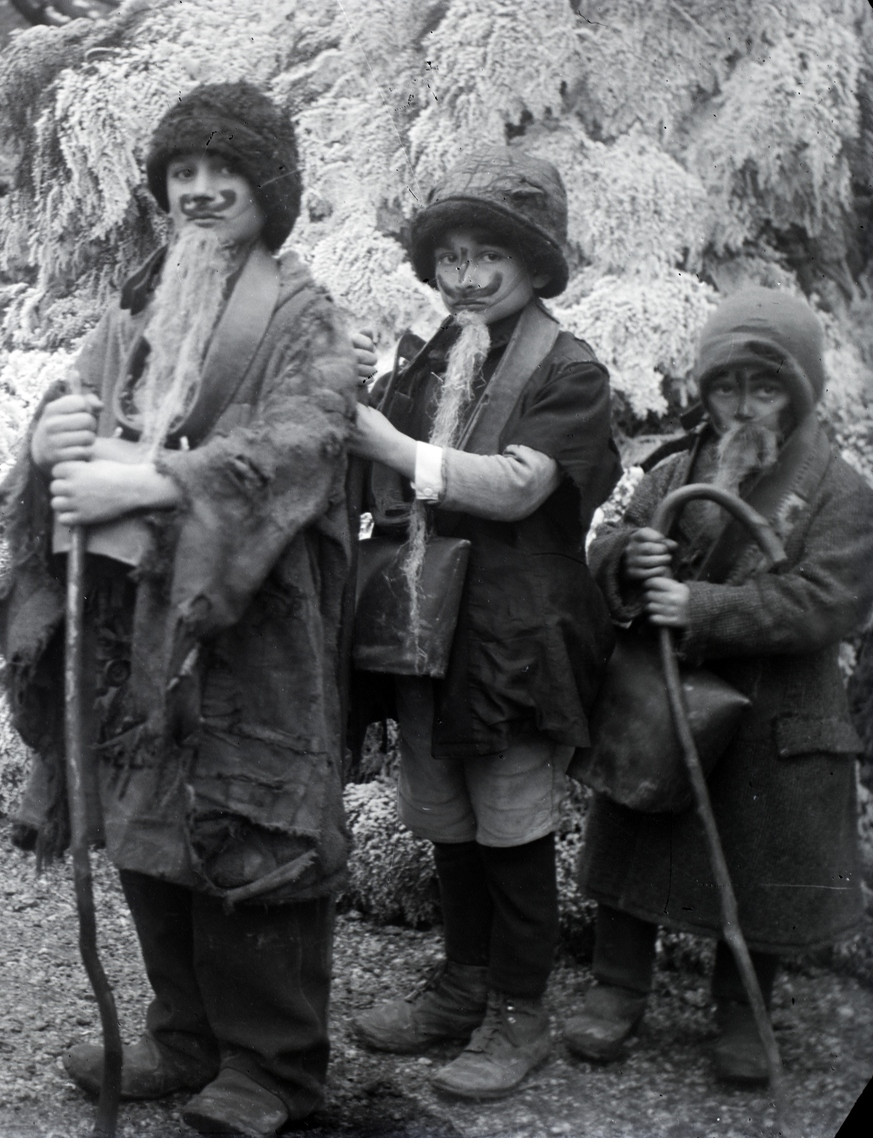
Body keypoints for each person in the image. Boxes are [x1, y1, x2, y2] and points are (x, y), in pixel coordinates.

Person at [0, 81, 359, 1136]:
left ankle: (274, 1066)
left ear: (267, 187)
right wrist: (50, 435)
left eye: (222, 172)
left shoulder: (302, 313)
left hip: (251, 625)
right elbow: (73, 395)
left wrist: (156, 484)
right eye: (181, 173)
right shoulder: (141, 300)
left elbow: (306, 440)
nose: (198, 191)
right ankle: (183, 1033)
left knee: (251, 824)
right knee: (147, 816)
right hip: (135, 620)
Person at [346, 146, 620, 1100]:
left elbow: (518, 489)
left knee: (512, 831)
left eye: (487, 256)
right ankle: (460, 988)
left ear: (535, 264)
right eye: (450, 257)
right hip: (429, 634)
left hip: (516, 638)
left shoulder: (570, 371)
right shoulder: (429, 356)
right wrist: (361, 398)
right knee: (449, 825)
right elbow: (372, 475)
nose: (464, 278)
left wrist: (392, 443)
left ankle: (519, 1013)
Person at [565, 288, 873, 1083]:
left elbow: (829, 600)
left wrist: (703, 606)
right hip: (663, 699)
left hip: (776, 716)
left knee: (757, 868)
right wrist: (630, 559)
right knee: (635, 835)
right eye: (726, 386)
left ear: (799, 392)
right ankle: (616, 990)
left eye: (765, 389)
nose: (743, 406)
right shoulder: (670, 465)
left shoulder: (838, 490)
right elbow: (606, 533)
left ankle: (743, 1014)